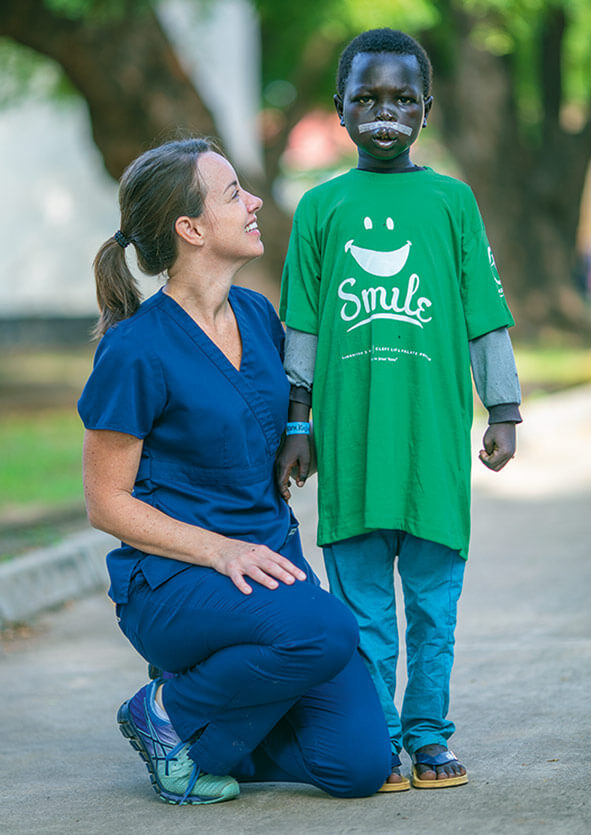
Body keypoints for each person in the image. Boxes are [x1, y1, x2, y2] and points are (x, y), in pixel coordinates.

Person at [77, 138, 392, 806]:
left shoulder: (256, 313)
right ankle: (164, 711)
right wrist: (219, 549)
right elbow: (106, 503)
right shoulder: (136, 349)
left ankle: (207, 734)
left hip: (270, 569)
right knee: (328, 630)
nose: (253, 203)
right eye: (232, 195)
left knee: (361, 763)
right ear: (190, 229)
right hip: (176, 579)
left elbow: (276, 417)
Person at [277, 28, 522, 791]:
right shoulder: (320, 208)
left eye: (402, 100)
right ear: (342, 112)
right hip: (349, 447)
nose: (385, 113)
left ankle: (429, 734)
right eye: (367, 99)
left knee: (432, 610)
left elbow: (485, 312)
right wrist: (297, 422)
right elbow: (304, 325)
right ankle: (380, 737)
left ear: (427, 109)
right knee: (364, 617)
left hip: (432, 449)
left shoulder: (452, 201)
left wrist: (504, 407)